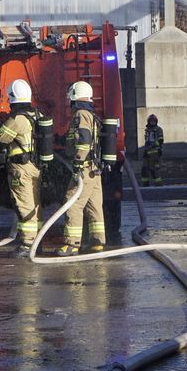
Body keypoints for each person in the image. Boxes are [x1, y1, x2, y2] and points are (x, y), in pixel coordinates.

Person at [0, 79, 43, 254]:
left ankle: (28, 244)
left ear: (12, 97)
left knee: (24, 204)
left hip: (21, 169)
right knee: (35, 203)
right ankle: (38, 241)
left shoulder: (16, 119)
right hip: (36, 166)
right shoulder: (37, 114)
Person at [58, 81, 106, 256]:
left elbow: (84, 140)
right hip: (94, 169)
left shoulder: (81, 114)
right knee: (94, 206)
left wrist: (78, 162)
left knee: (73, 203)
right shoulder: (91, 114)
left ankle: (71, 244)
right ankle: (97, 241)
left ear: (74, 95)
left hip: (85, 168)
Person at [141, 114, 164, 187]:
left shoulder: (158, 129)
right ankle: (145, 184)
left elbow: (160, 140)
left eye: (154, 121)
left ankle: (158, 185)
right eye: (151, 121)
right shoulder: (147, 130)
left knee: (155, 170)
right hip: (147, 152)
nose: (152, 122)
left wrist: (154, 146)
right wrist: (145, 151)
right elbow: (146, 141)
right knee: (144, 169)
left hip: (155, 153)